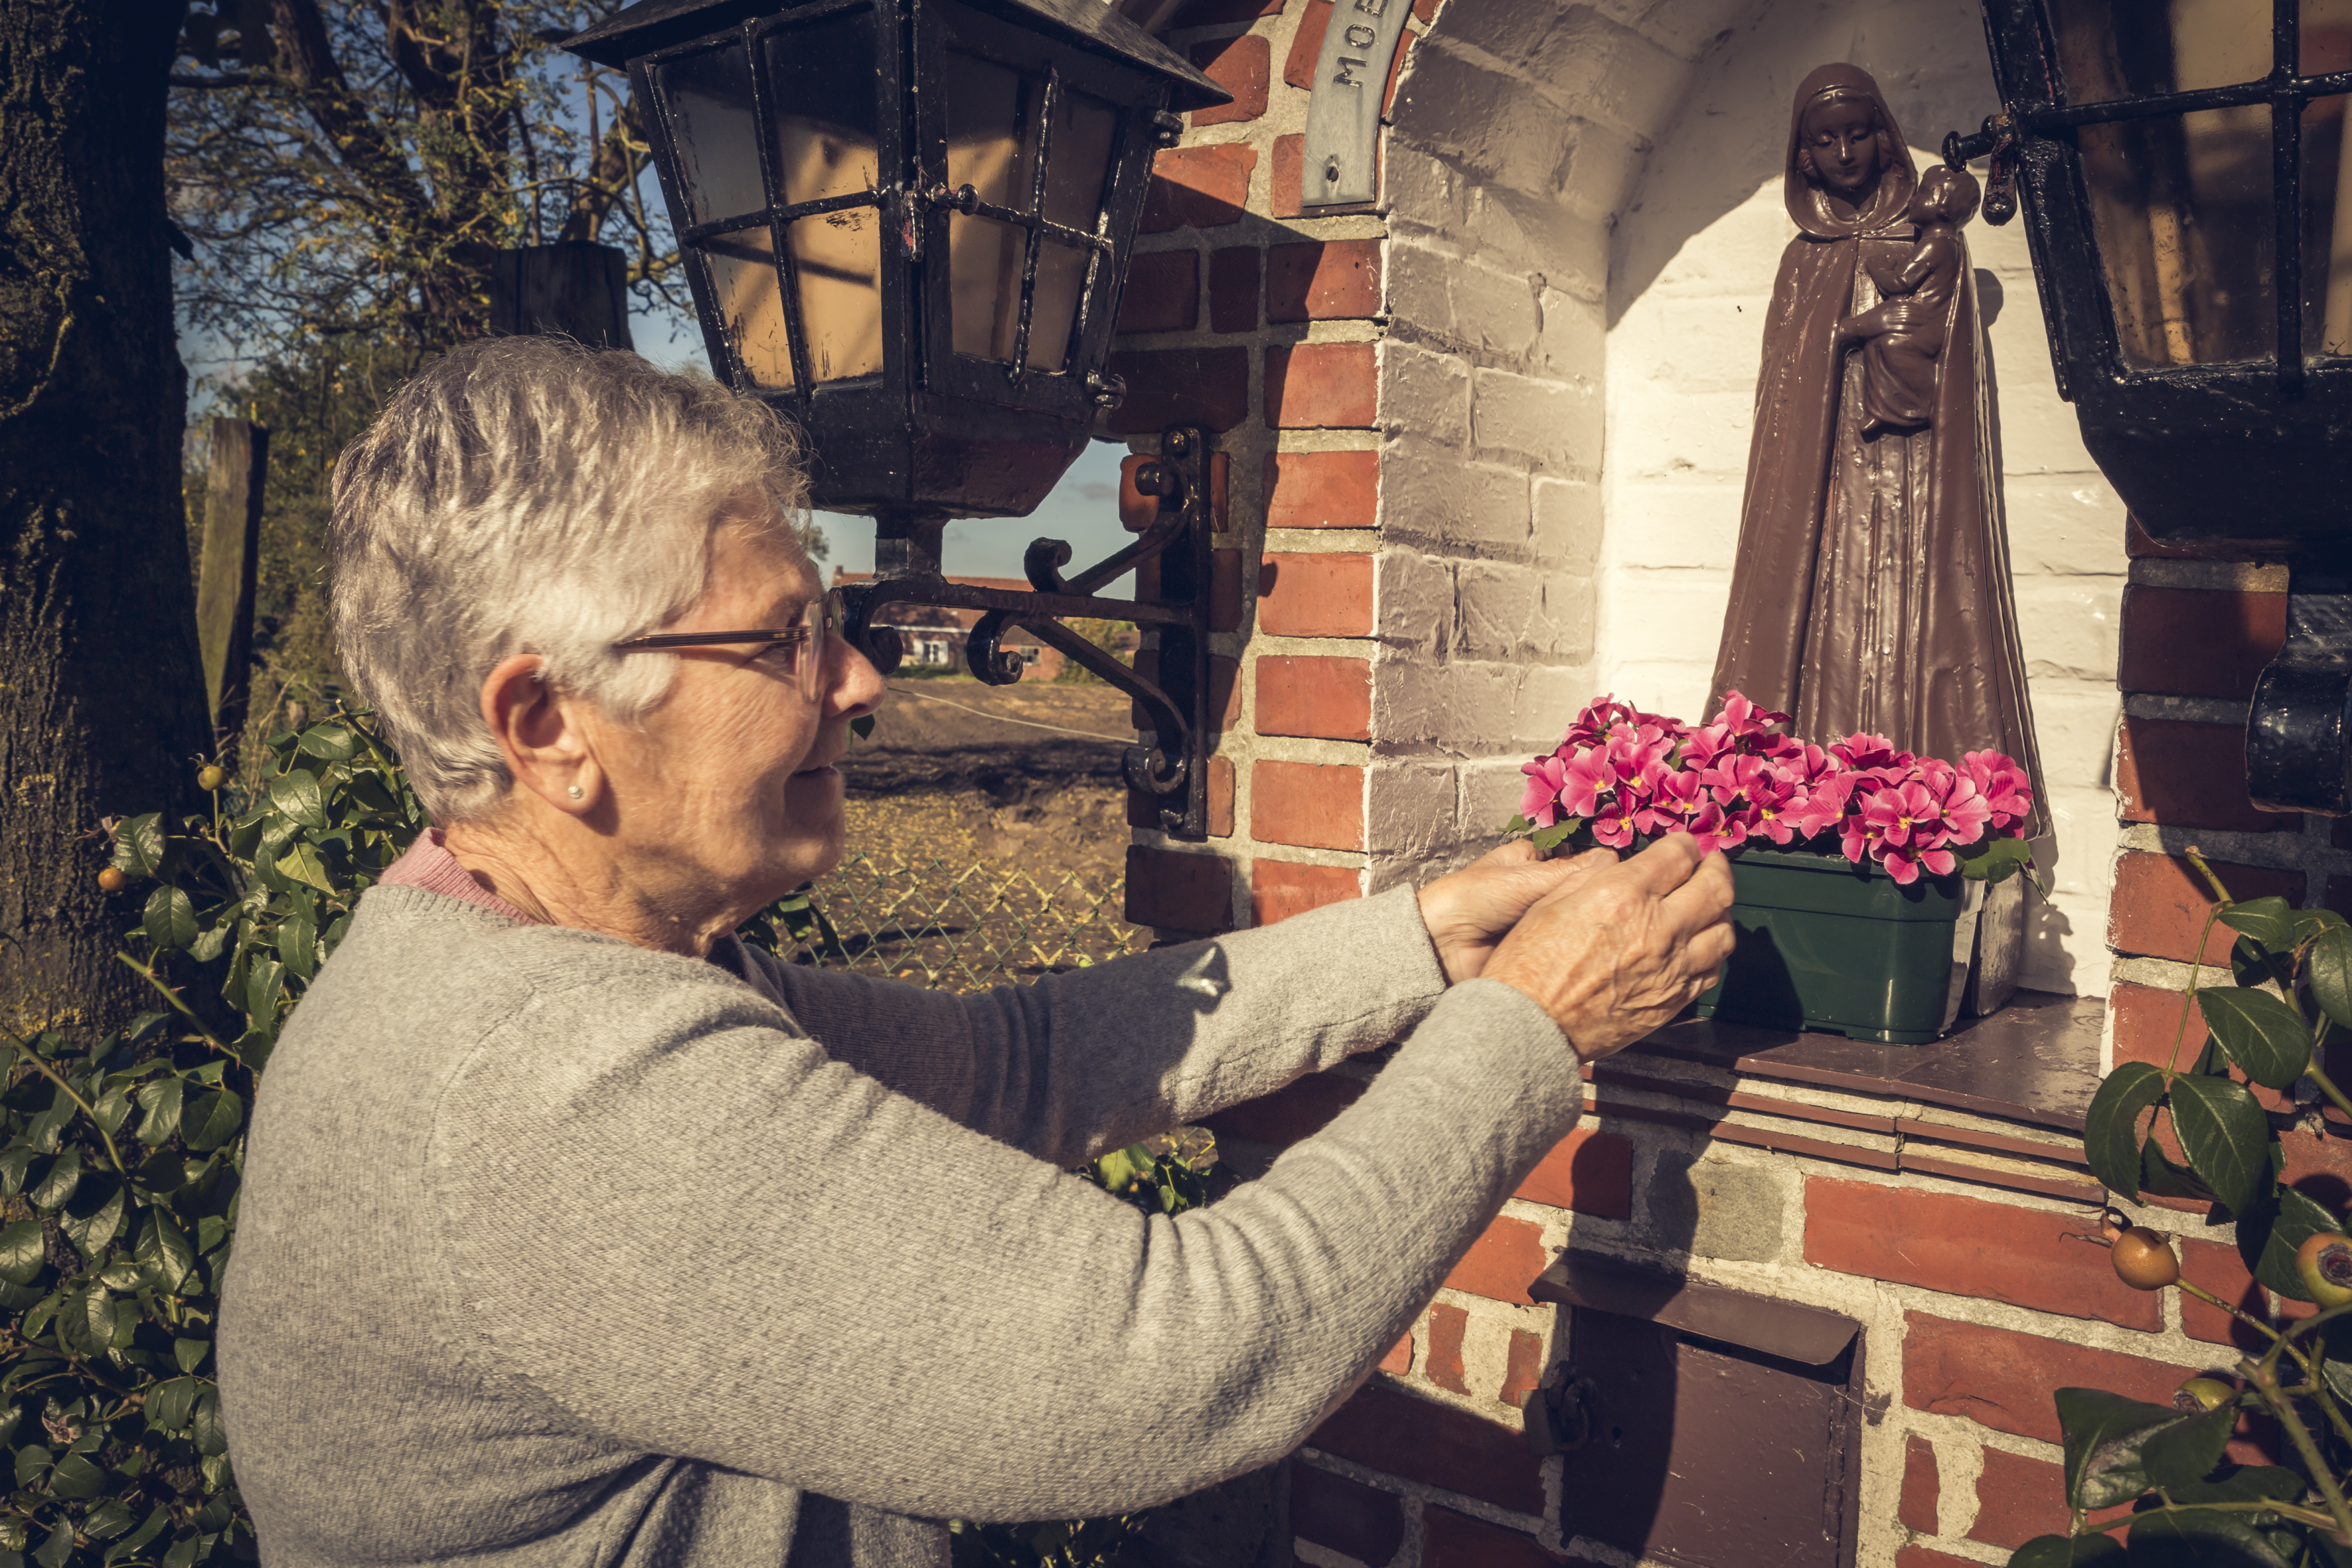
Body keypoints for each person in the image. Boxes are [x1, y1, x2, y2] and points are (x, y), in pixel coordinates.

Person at [216, 336, 1735, 1567]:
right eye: (783, 638)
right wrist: (1533, 1023)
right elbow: (1192, 1355)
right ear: (547, 726)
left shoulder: (527, 952)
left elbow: (1018, 1065)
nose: (862, 679)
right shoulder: (560, 1094)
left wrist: (1421, 941)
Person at [1708, 64, 2046, 836]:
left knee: (1918, 606)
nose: (1845, 152)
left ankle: (1926, 806)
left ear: (1886, 140)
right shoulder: (1805, 259)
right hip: (1823, 483)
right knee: (1815, 622)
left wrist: (1893, 336)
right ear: (1804, 157)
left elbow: (1950, 358)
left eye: (1858, 133)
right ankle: (1801, 792)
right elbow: (1788, 391)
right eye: (1825, 141)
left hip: (1914, 471)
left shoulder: (1934, 245)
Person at [1857, 165, 1980, 439]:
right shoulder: (1948, 244)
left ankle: (1914, 407)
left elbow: (1898, 284)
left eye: (1920, 194)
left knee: (1887, 343)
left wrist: (1877, 267)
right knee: (1878, 345)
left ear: (1939, 200)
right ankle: (1884, 410)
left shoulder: (1934, 244)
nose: (1911, 201)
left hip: (1921, 325)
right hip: (1924, 322)